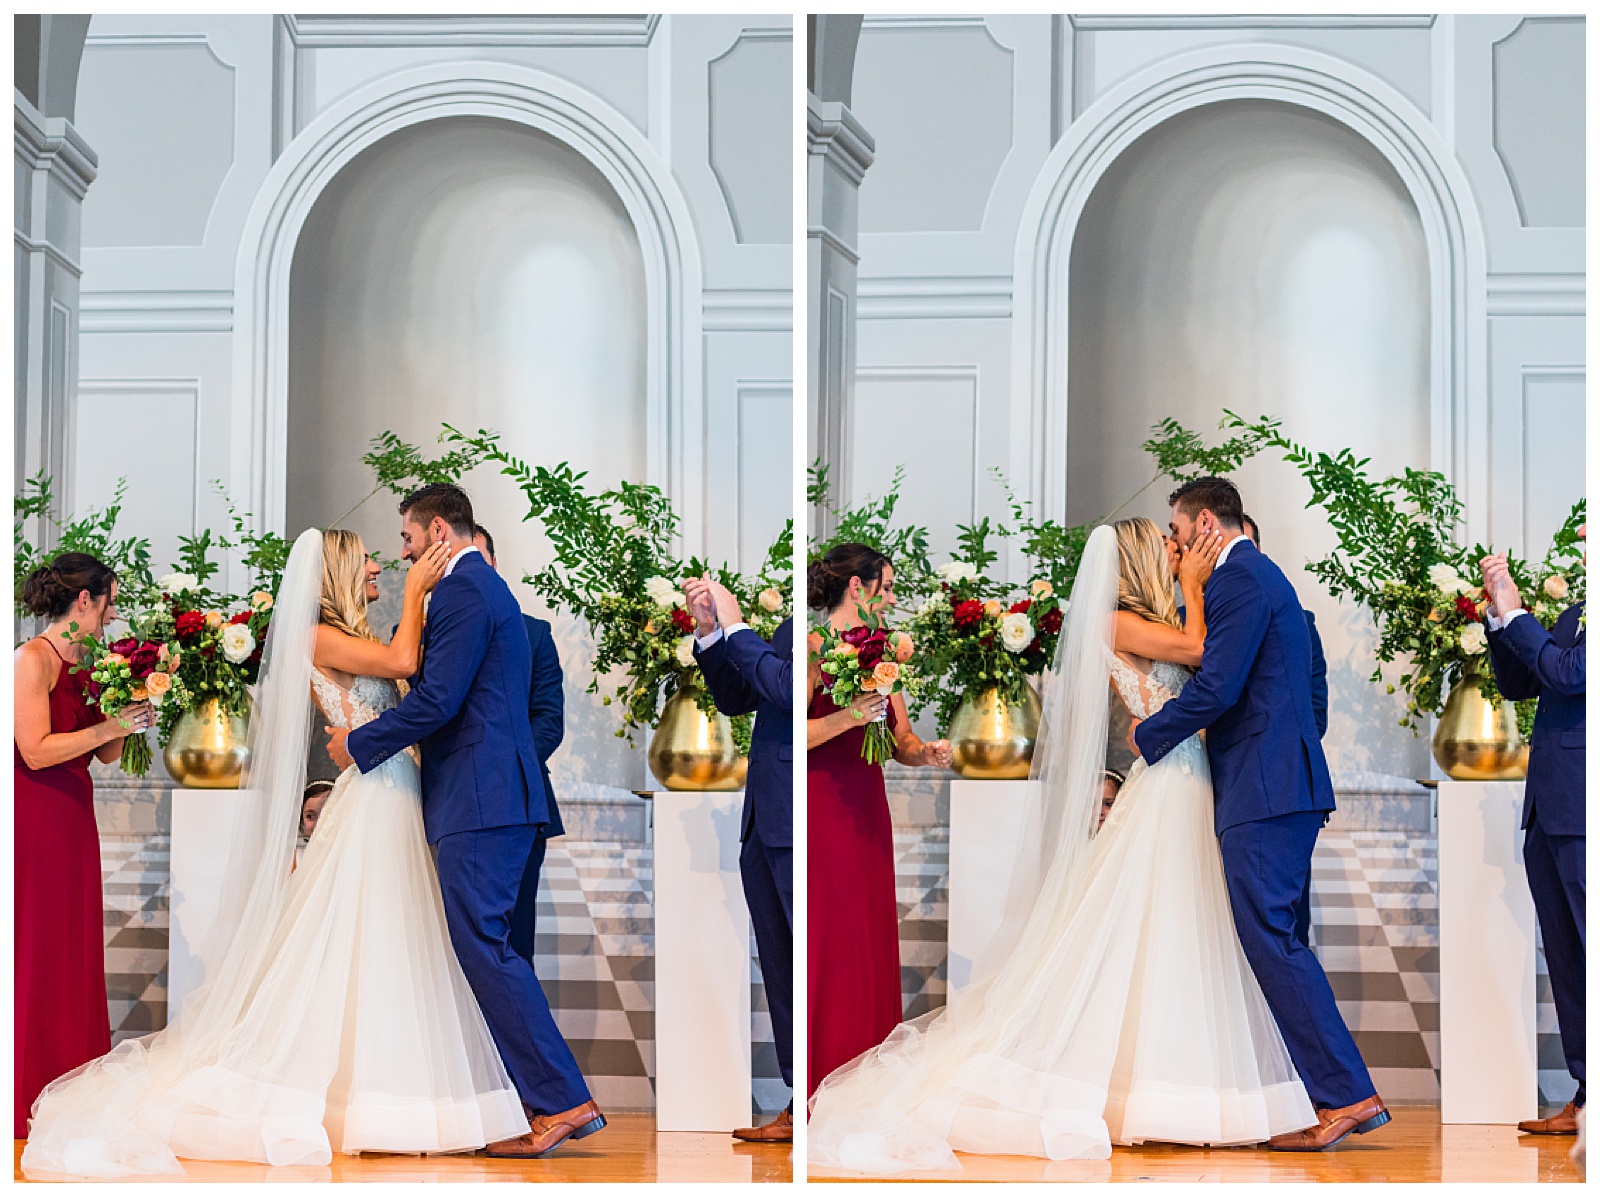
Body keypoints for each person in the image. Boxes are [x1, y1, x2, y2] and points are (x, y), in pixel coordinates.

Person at [810, 518, 1327, 1169]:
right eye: (1167, 544)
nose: (1177, 551)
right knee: (1150, 928)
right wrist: (1198, 583)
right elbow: (1200, 648)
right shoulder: (1120, 619)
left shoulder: (1149, 616)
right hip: (1169, 781)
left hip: (1188, 781)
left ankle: (1185, 1081)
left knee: (1177, 931)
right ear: (1143, 556)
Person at [22, 529, 533, 1177]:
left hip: (394, 791)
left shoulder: (353, 635)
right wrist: (417, 592)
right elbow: (404, 664)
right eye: (372, 557)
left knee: (388, 943)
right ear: (343, 569)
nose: (382, 562)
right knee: (364, 942)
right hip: (375, 797)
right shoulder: (319, 635)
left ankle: (398, 1093)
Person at [330, 484, 602, 1158]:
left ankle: (560, 1099)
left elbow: (440, 701)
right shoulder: (479, 589)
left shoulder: (460, 591)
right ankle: (542, 1096)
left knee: (484, 945)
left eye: (408, 538)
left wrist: (358, 745)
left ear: (440, 531)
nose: (402, 553)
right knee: (486, 944)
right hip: (487, 797)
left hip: (480, 800)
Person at [1135, 477, 1385, 1152]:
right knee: (1282, 937)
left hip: (1265, 790)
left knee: (1271, 938)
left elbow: (1219, 685)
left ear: (1207, 523)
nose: (1176, 546)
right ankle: (1317, 1093)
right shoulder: (1258, 577)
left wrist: (1148, 735)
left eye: (1180, 534)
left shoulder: (1240, 578)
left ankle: (1346, 1093)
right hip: (1276, 787)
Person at [15, 554, 154, 1139]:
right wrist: (106, 727)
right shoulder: (32, 659)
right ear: (84, 602)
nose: (111, 616)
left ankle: (68, 1082)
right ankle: (23, 1086)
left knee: (72, 948)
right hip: (34, 817)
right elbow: (36, 750)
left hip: (74, 815)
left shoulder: (89, 662)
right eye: (109, 603)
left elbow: (103, 755)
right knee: (36, 948)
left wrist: (130, 713)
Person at [807, 544, 953, 1099]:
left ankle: (864, 1085)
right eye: (886, 587)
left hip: (867, 808)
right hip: (824, 806)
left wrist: (927, 753)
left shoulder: (881, 654)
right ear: (858, 589)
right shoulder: (814, 647)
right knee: (831, 941)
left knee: (867, 941)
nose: (892, 599)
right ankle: (820, 1082)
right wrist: (850, 716)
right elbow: (797, 733)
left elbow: (900, 740)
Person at [1481, 528, 1585, 1136]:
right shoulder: (1580, 610)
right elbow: (1524, 682)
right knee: (1567, 958)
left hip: (1582, 807)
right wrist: (1500, 619)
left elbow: (1569, 675)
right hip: (1550, 809)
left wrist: (1518, 610)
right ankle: (1585, 1093)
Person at [684, 572, 794, 1143]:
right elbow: (737, 697)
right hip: (764, 819)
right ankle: (799, 1099)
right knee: (779, 966)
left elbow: (785, 689)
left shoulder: (828, 638)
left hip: (800, 823)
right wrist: (709, 633)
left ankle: (827, 1095)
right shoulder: (791, 628)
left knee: (805, 964)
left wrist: (735, 623)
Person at [471, 524, 567, 965]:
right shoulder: (419, 632)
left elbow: (548, 722)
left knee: (513, 942)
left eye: (477, 559)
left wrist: (498, 773)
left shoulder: (535, 634)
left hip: (520, 804)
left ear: (494, 564)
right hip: (447, 805)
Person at [1241, 513, 1326, 950]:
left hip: (1275, 791)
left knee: (1285, 929)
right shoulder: (1184, 623)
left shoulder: (1300, 621)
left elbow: (1315, 715)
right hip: (1208, 792)